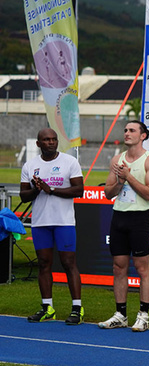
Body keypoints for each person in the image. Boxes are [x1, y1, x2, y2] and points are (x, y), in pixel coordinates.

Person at [98, 121, 149, 332]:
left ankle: (143, 315)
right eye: (125, 130)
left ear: (143, 136)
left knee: (143, 268)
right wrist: (119, 180)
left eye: (132, 130)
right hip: (119, 217)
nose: (127, 133)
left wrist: (128, 176)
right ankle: (121, 314)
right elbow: (108, 193)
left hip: (139, 218)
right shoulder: (117, 160)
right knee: (118, 267)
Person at [20, 128, 84, 325]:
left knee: (68, 263)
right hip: (41, 222)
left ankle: (76, 308)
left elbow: (79, 190)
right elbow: (24, 196)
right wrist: (36, 189)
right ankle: (47, 307)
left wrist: (52, 189)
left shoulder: (69, 162)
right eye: (46, 140)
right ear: (38, 144)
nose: (51, 142)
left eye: (54, 139)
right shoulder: (30, 165)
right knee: (43, 264)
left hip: (63, 222)